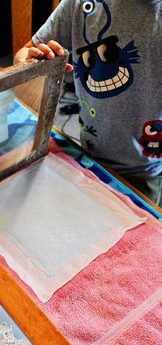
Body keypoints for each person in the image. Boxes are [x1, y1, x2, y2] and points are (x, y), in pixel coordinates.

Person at [14, 0, 162, 207]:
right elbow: (23, 54)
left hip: (144, 171)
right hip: (87, 153)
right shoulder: (79, 4)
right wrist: (31, 64)